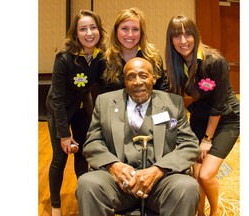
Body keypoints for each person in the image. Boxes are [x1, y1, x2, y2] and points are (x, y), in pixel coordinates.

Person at [76, 57, 200, 216]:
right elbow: (93, 142)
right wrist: (114, 166)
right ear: (124, 81)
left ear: (153, 78)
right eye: (131, 77)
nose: (137, 82)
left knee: (187, 187)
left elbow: (189, 144)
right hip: (118, 184)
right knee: (88, 184)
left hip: (160, 183)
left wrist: (158, 170)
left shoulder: (172, 103)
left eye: (143, 75)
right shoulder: (105, 102)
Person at [165, 15, 240, 216]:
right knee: (195, 174)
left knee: (206, 175)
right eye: (177, 36)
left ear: (196, 35)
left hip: (226, 119)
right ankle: (199, 213)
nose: (183, 41)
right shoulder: (176, 66)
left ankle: (215, 212)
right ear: (171, 40)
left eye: (188, 34)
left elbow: (218, 104)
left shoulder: (214, 62)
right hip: (199, 120)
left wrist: (207, 139)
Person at [45, 9, 107, 216]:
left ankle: (84, 195)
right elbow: (58, 99)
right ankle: (55, 205)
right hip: (59, 109)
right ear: (76, 33)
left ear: (99, 30)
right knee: (60, 157)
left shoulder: (100, 56)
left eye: (93, 27)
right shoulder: (64, 58)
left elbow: (101, 85)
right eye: (83, 29)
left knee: (82, 152)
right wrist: (64, 134)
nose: (89, 33)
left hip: (82, 107)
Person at [101, 7, 168, 93]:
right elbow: (103, 97)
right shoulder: (105, 60)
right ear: (116, 31)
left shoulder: (154, 59)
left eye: (135, 29)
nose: (130, 34)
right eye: (124, 29)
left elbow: (161, 93)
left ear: (141, 33)